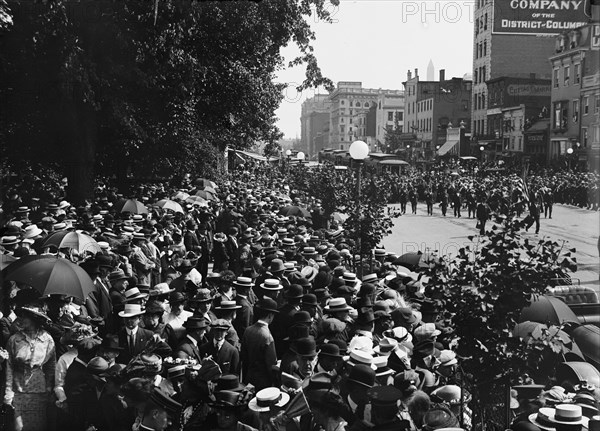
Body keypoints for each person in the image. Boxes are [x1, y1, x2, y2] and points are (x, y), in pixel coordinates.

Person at [3, 306, 56, 431]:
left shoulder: (47, 339)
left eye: (25, 317)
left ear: (34, 319)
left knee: (38, 426)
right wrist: (8, 392)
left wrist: (50, 387)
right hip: (18, 390)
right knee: (18, 427)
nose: (21, 320)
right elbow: (8, 367)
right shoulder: (14, 339)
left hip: (39, 391)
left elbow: (51, 366)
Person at [241, 298, 279, 390]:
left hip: (249, 378)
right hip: (263, 382)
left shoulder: (248, 330)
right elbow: (271, 364)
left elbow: (244, 357)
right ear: (270, 315)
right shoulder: (267, 337)